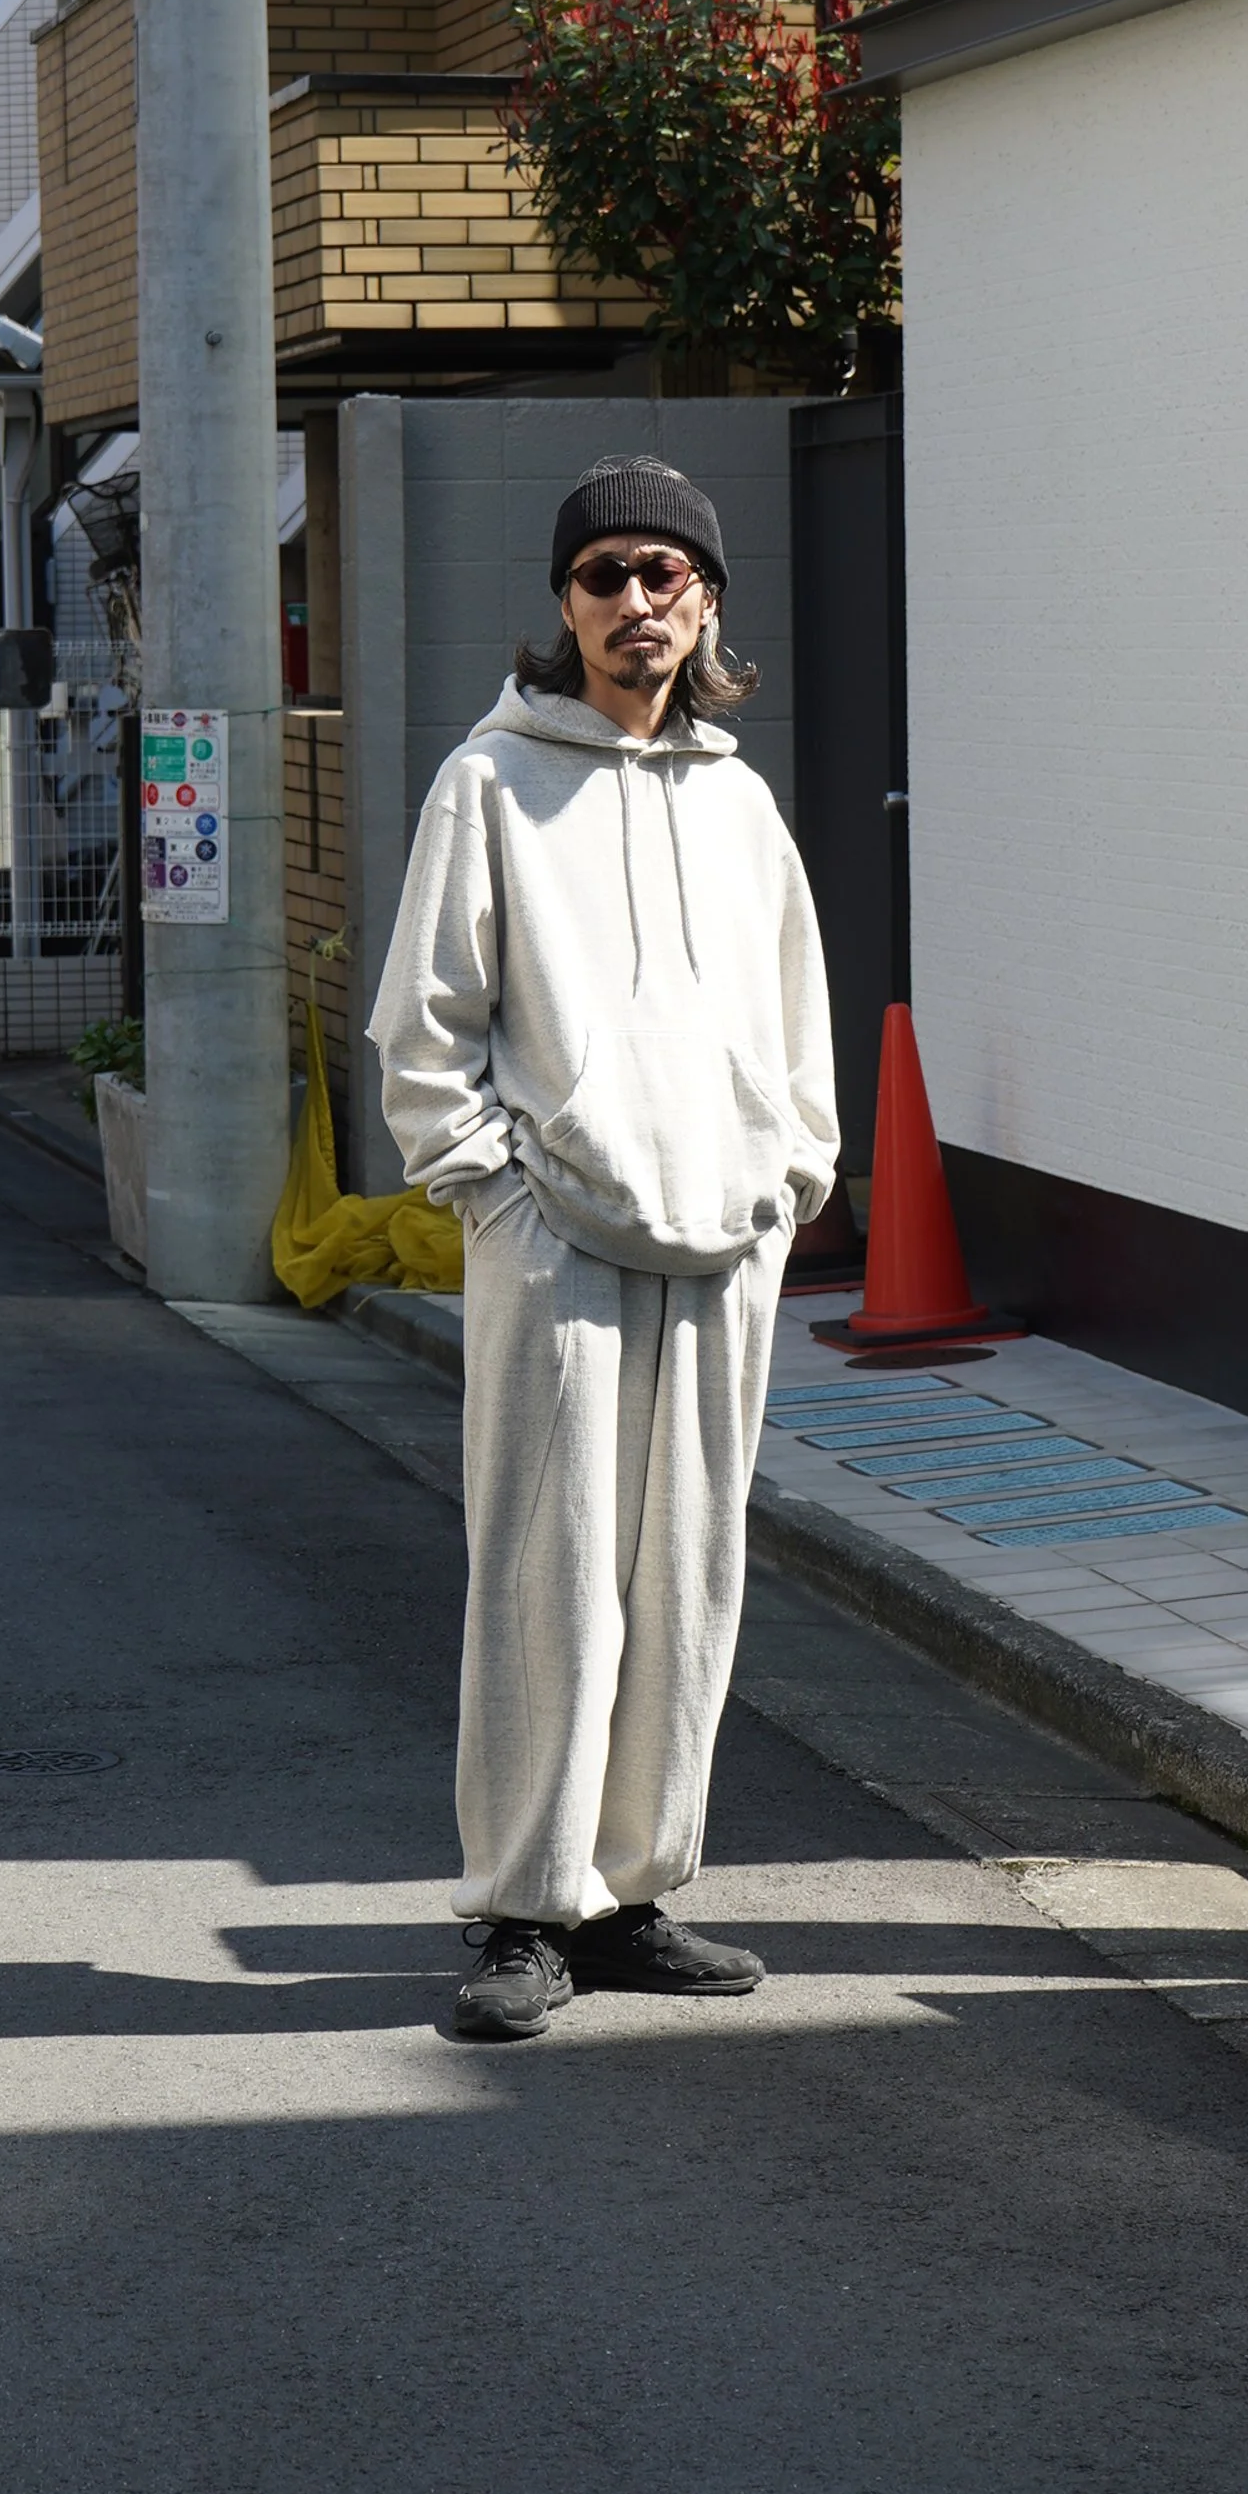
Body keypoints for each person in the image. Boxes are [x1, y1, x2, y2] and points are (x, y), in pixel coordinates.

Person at [370, 456, 839, 2041]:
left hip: (723, 1240)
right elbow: (425, 1030)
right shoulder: (491, 783)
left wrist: (792, 1179)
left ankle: (634, 1895)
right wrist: (492, 1188)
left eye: (664, 574)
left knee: (688, 1573)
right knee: (549, 1571)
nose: (635, 604)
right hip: (555, 1234)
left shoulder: (737, 798)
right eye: (603, 578)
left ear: (707, 598)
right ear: (562, 607)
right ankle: (520, 1911)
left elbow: (794, 1016)